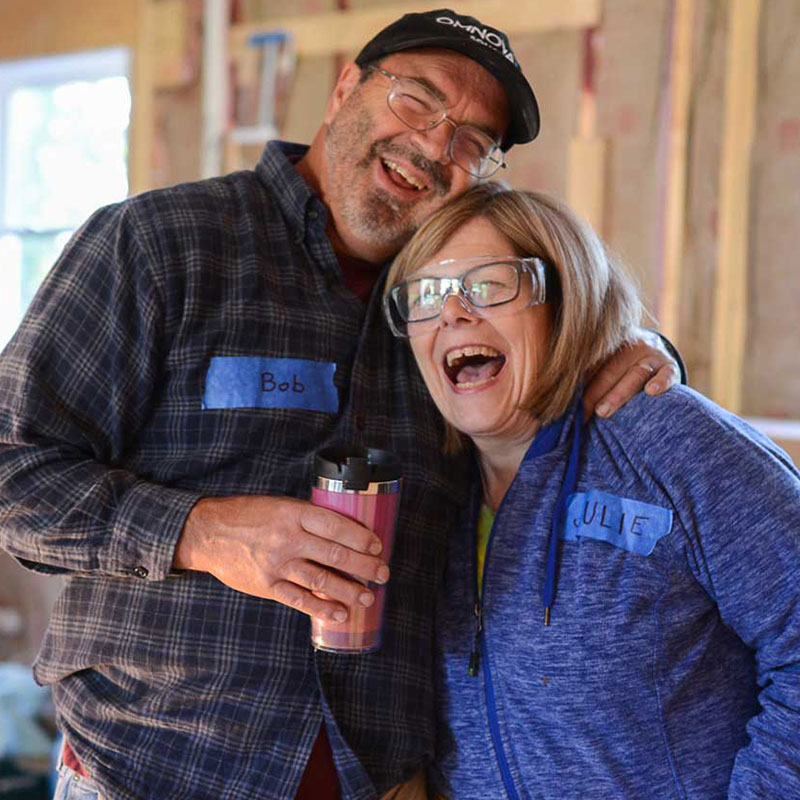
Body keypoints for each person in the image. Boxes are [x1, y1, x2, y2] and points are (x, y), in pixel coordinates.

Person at [0, 10, 681, 800]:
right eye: (416, 101)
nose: (432, 146)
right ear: (344, 88)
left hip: (388, 782)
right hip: (152, 772)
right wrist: (205, 532)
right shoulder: (163, 244)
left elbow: (587, 354)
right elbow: (13, 471)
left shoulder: (460, 313)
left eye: (471, 141)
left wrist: (652, 355)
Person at [383, 183, 800, 800]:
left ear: (565, 299)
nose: (453, 312)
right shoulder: (428, 497)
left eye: (490, 285)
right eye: (428, 294)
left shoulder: (667, 441)